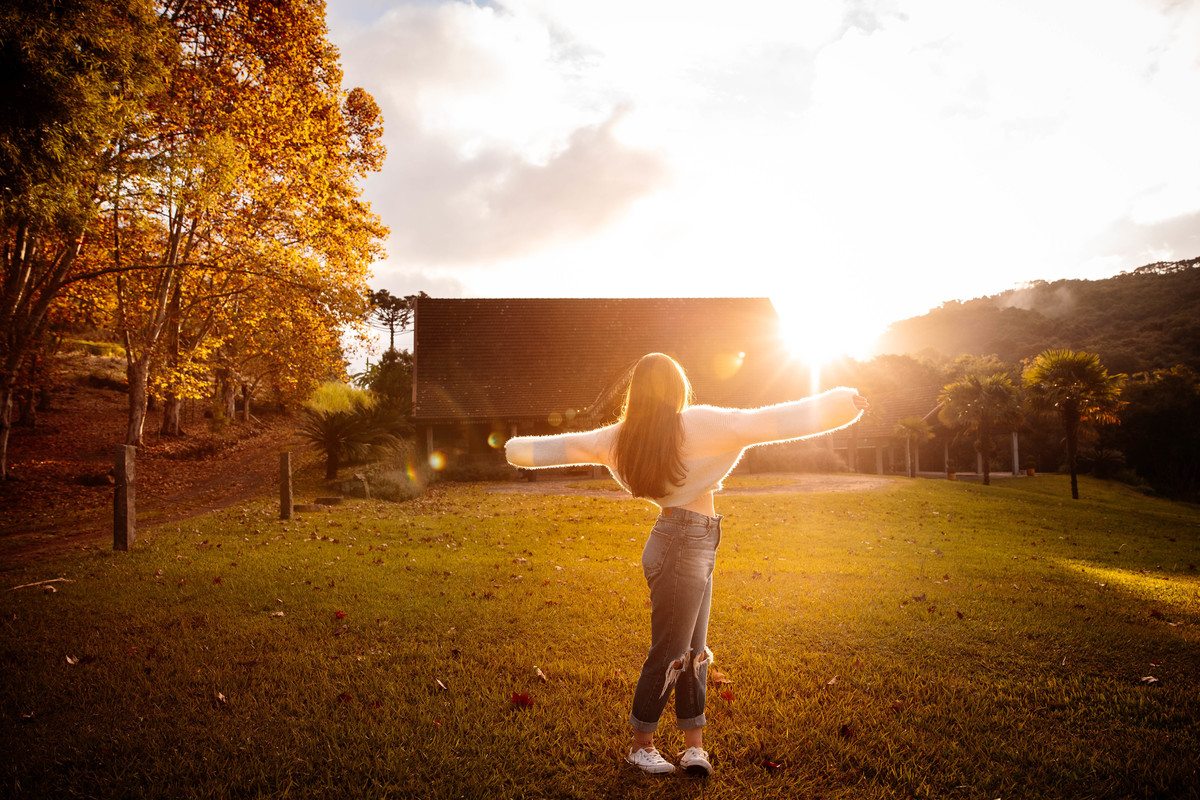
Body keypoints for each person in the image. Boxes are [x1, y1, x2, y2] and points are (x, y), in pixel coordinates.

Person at [505, 352, 867, 777]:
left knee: (694, 654)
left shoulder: (622, 436)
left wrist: (515, 449)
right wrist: (842, 404)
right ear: (678, 388)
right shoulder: (695, 423)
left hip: (688, 539)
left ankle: (694, 747)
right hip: (682, 544)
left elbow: (566, 445)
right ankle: (642, 745)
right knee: (671, 652)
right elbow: (773, 420)